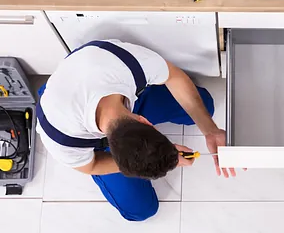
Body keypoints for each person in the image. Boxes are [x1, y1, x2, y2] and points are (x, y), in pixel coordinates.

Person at [36, 39, 236, 221]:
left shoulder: (128, 65)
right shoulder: (61, 138)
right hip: (65, 108)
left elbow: (173, 76)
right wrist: (150, 160)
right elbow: (91, 166)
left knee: (205, 106)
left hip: (94, 71)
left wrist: (210, 130)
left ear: (145, 120)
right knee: (141, 210)